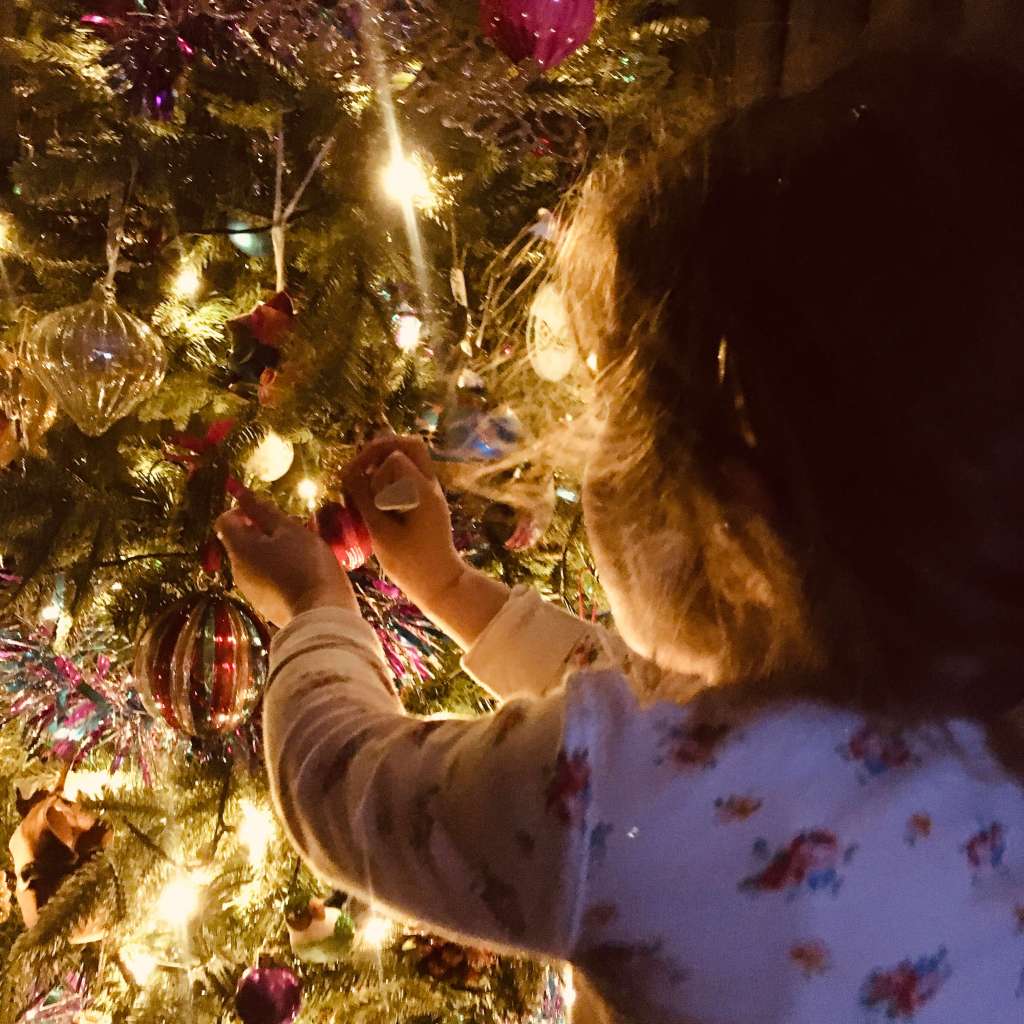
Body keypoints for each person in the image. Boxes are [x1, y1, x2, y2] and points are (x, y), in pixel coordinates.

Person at [217, 52, 1024, 1024]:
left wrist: (313, 610)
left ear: (732, 517)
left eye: (609, 419)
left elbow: (346, 784)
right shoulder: (966, 728)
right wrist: (449, 590)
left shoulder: (617, 800)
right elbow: (674, 720)